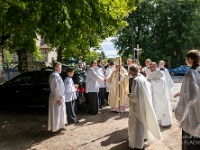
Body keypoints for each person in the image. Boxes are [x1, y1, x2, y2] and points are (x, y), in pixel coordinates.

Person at [128, 64, 162, 149]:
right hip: (143, 105)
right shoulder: (142, 77)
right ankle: (143, 137)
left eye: (129, 71)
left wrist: (129, 96)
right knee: (143, 122)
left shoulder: (136, 80)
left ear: (132, 72)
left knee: (137, 124)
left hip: (137, 108)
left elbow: (135, 97)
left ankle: (137, 144)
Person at [174, 50, 200, 150]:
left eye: (186, 59)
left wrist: (176, 108)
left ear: (190, 59)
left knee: (191, 144)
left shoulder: (190, 74)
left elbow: (190, 98)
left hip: (193, 115)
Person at [148, 62, 172, 127]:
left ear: (156, 66)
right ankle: (157, 121)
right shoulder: (150, 74)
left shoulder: (161, 73)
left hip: (161, 95)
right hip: (154, 95)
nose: (150, 68)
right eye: (149, 67)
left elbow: (161, 82)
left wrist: (152, 82)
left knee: (162, 107)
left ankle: (165, 122)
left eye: (152, 66)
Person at [48, 62, 67, 134]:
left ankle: (60, 126)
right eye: (60, 67)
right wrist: (58, 98)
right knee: (56, 113)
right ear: (56, 68)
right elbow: (55, 88)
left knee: (60, 113)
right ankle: (55, 129)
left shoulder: (57, 75)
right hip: (56, 98)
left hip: (59, 97)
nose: (61, 68)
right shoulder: (54, 76)